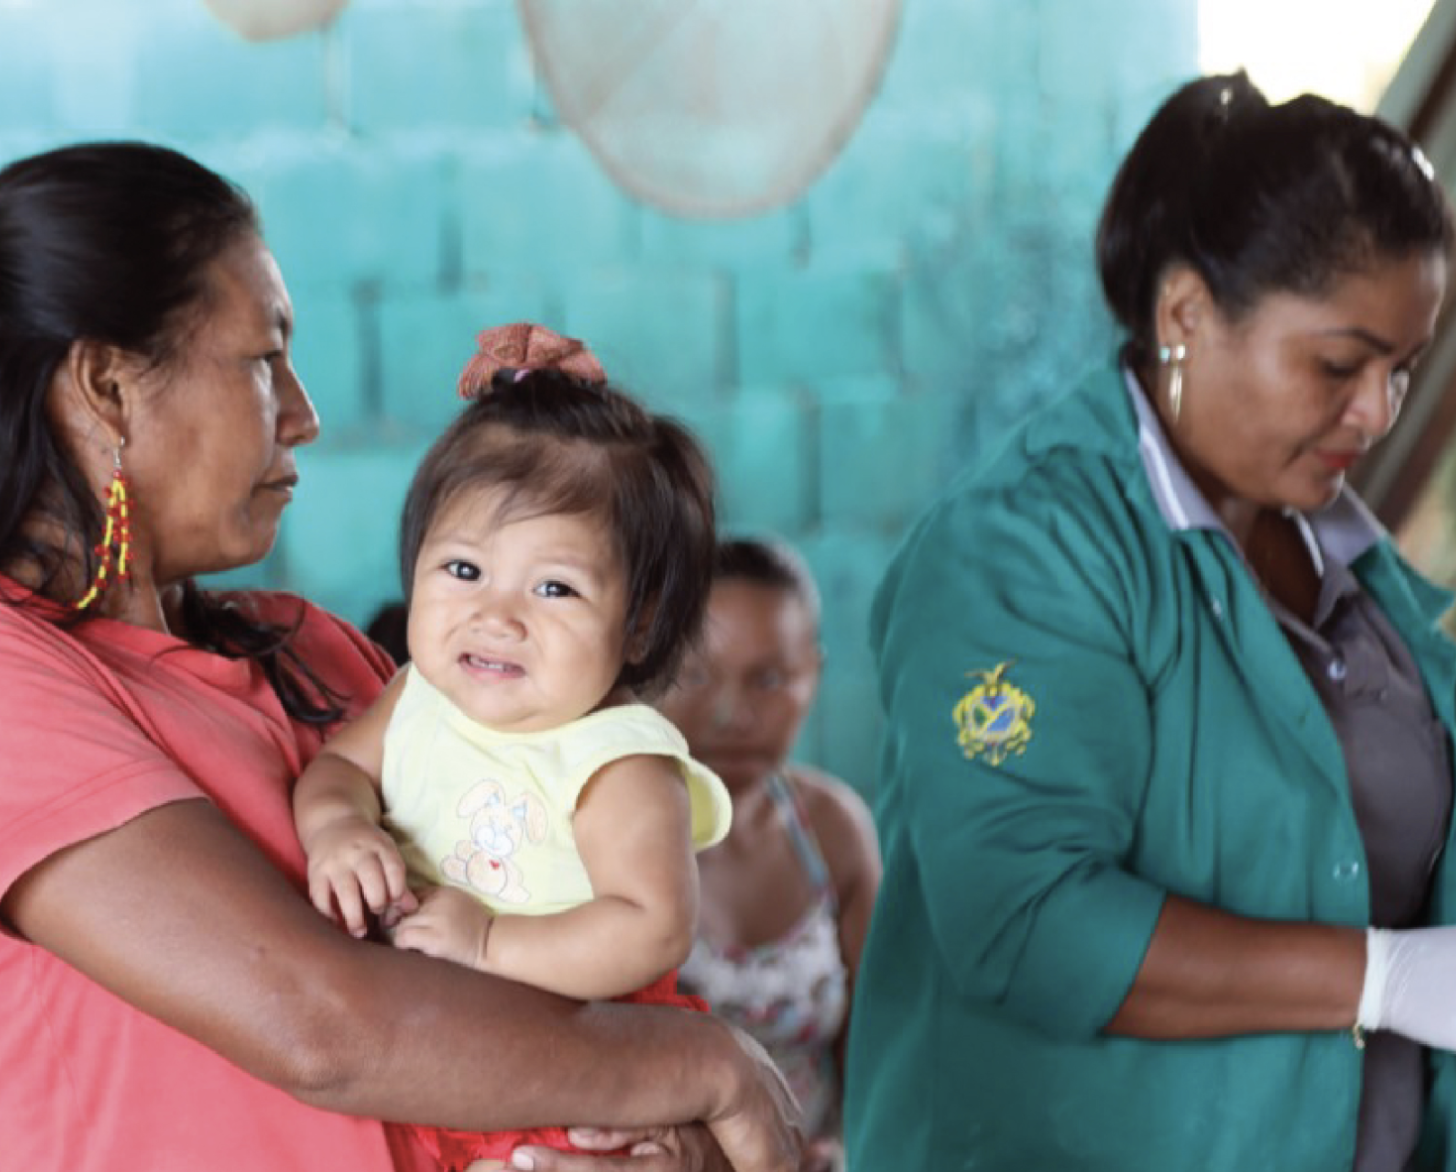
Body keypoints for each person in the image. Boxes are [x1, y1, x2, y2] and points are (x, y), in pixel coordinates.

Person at [0, 141, 799, 1172]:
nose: (304, 413)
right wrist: (707, 1068)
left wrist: (656, 1145)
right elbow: (321, 1025)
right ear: (107, 384)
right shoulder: (19, 687)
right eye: (263, 357)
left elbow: (520, 1013)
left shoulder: (319, 650)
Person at [843, 71, 1456, 1172]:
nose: (1374, 412)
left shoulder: (1363, 582)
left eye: (1402, 369)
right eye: (1337, 363)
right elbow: (1024, 920)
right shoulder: (1022, 549)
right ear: (1184, 313)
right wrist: (1382, 976)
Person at [293, 350, 735, 1171]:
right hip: (422, 1066)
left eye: (555, 589)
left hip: (563, 1079)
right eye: (464, 570)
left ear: (637, 626)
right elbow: (339, 771)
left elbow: (653, 926)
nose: (496, 616)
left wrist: (491, 944)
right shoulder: (417, 694)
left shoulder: (616, 760)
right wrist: (336, 829)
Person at [659, 538, 881, 1172]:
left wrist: (843, 1147)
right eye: (698, 673)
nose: (732, 714)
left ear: (814, 673)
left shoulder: (833, 832)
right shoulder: (606, 834)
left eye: (769, 678)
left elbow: (876, 1051)